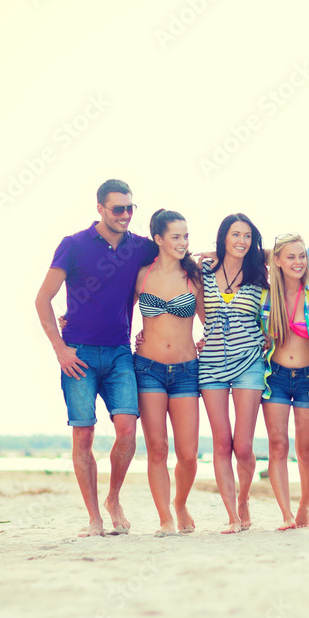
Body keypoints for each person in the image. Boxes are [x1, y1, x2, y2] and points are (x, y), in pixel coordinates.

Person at [35, 179, 157, 537]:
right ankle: (94, 518)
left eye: (130, 208)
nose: (125, 215)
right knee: (83, 436)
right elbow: (42, 299)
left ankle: (113, 499)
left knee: (128, 431)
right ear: (100, 209)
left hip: (120, 353)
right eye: (118, 209)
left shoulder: (140, 248)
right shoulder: (73, 245)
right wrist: (59, 348)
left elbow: (173, 257)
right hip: (79, 355)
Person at [133, 209, 205, 536]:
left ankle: (180, 503)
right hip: (147, 368)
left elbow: (213, 320)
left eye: (186, 236)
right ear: (158, 239)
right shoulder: (141, 275)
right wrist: (70, 322)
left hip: (187, 370)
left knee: (188, 454)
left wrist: (209, 342)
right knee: (158, 449)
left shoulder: (194, 276)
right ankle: (165, 519)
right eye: (175, 236)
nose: (182, 242)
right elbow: (112, 311)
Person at [198, 214, 269, 533]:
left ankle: (243, 498)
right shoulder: (203, 270)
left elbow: (287, 253)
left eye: (247, 236)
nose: (241, 241)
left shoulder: (260, 273)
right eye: (234, 234)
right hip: (211, 363)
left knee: (243, 445)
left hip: (250, 361)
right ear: (223, 237)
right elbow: (195, 302)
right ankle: (232, 516)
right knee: (221, 443)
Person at [259, 234, 309, 530]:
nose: (298, 262)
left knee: (305, 450)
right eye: (291, 257)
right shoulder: (266, 297)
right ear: (276, 261)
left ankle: (304, 505)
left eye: (302, 256)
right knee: (278, 446)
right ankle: (286, 514)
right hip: (274, 376)